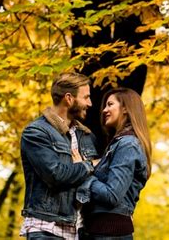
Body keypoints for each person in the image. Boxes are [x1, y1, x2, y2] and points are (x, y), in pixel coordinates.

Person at [20, 72, 100, 239]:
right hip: (46, 228)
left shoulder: (86, 137)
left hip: (78, 230)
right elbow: (56, 175)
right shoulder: (36, 132)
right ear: (69, 98)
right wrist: (89, 165)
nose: (90, 103)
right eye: (86, 97)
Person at [76, 88, 152, 240]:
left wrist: (83, 171)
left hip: (109, 234)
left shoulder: (128, 144)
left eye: (110, 104)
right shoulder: (119, 144)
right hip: (100, 232)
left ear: (125, 108)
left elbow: (111, 195)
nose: (104, 110)